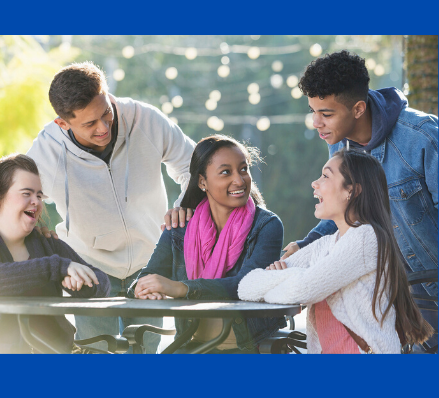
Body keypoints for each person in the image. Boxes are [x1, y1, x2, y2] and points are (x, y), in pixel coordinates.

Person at [26, 61, 196, 353]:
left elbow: (195, 165)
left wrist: (184, 205)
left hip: (150, 262)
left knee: (143, 352)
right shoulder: (46, 151)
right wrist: (41, 233)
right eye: (89, 124)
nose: (103, 127)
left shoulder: (145, 119)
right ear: (63, 123)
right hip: (90, 269)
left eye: (106, 113)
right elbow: (21, 197)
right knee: (96, 353)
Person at [280, 50, 438, 352]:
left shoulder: (421, 138)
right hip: (392, 298)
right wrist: (305, 245)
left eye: (326, 113)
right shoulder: (340, 144)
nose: (316, 122)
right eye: (313, 111)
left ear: (358, 108)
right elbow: (344, 210)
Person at [240, 150, 433, 354]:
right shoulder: (325, 245)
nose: (315, 183)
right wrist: (299, 279)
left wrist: (285, 276)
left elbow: (304, 289)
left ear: (352, 191)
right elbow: (245, 287)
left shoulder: (366, 237)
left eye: (325, 176)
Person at [128, 135, 287, 353]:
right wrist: (144, 289)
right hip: (191, 345)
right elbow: (144, 279)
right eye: (225, 172)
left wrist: (180, 288)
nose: (240, 180)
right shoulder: (180, 227)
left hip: (247, 346)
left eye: (243, 169)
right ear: (202, 181)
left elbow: (246, 285)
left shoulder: (267, 226)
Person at [0, 154, 110, 354]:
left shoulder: (48, 245)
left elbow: (102, 283)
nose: (37, 202)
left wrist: (81, 283)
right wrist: (56, 268)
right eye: (26, 193)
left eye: (39, 195)